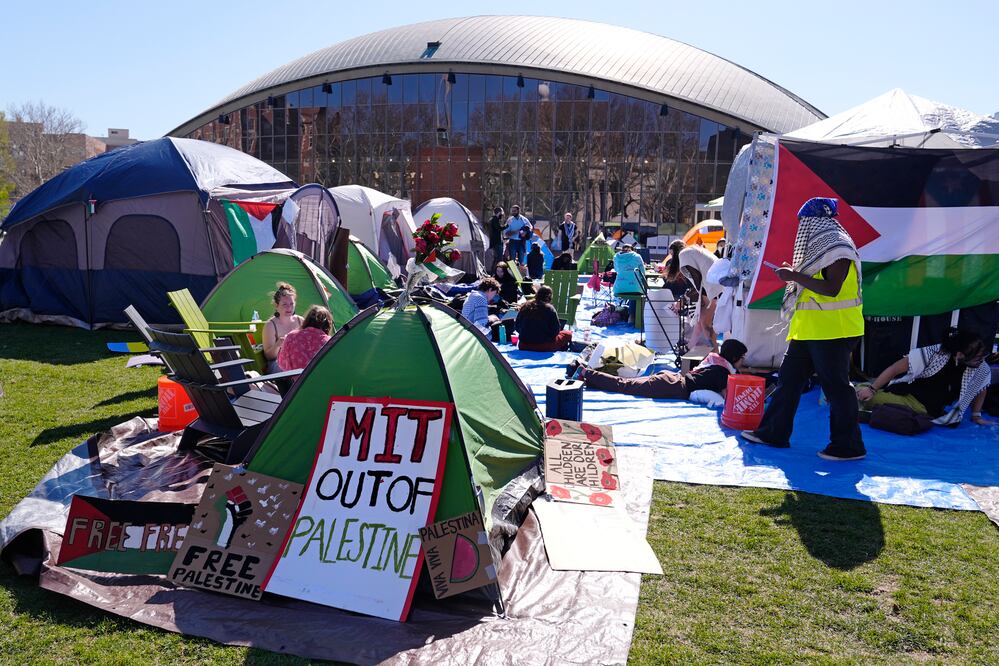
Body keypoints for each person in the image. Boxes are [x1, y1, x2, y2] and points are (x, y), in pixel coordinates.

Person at [741, 197, 867, 461]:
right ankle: (773, 433)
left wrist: (794, 276)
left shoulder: (838, 248)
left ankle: (849, 446)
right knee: (788, 382)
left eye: (804, 223)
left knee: (837, 388)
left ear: (815, 223)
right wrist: (794, 274)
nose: (801, 229)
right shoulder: (825, 248)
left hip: (835, 331)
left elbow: (832, 289)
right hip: (810, 331)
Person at [856, 328, 996, 426]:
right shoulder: (934, 353)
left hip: (924, 408)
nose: (981, 360)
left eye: (982, 356)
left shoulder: (980, 367)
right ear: (959, 355)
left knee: (862, 395)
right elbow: (895, 369)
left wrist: (976, 415)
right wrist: (872, 389)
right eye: (977, 358)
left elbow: (982, 386)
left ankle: (870, 410)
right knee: (861, 392)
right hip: (908, 395)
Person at [577, 339, 748, 400]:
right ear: (734, 358)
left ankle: (589, 377)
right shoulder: (724, 373)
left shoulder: (716, 362)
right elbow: (729, 398)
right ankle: (586, 372)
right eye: (742, 358)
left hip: (671, 380)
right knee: (624, 385)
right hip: (672, 386)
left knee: (626, 384)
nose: (743, 362)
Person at [679, 245, 721, 352]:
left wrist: (699, 297)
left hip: (714, 290)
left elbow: (696, 278)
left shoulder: (686, 256)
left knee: (705, 324)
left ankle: (716, 354)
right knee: (700, 322)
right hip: (716, 288)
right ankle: (689, 348)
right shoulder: (699, 255)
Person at [515, 285, 573, 352]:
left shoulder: (525, 306)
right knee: (568, 334)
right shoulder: (549, 308)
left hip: (524, 345)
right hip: (544, 346)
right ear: (549, 297)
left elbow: (517, 327)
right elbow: (555, 331)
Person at [278, 305, 333, 373]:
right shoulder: (330, 343)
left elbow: (281, 364)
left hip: (296, 382)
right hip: (322, 381)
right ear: (328, 325)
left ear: (307, 320)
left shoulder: (291, 336)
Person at [263, 282, 304, 372]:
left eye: (291, 304)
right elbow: (269, 356)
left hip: (299, 359)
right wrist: (278, 345)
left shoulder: (301, 321)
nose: (289, 308)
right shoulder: (270, 325)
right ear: (276, 306)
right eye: (284, 304)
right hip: (278, 363)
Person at [612, 244, 646, 324]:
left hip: (619, 288)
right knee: (637, 291)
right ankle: (635, 316)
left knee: (632, 292)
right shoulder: (637, 257)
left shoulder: (616, 257)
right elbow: (643, 272)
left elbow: (616, 270)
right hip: (635, 288)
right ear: (632, 249)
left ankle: (631, 316)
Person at [487, 206, 505, 270]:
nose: (502, 214)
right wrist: (507, 225)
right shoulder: (495, 219)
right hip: (497, 242)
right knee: (499, 259)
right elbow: (499, 228)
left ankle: (493, 273)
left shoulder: (492, 219)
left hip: (495, 242)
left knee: (496, 259)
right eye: (502, 212)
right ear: (499, 212)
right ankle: (497, 273)